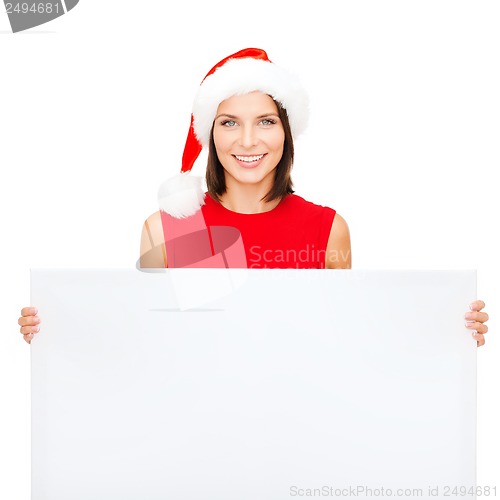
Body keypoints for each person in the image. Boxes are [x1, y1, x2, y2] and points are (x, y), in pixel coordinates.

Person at [17, 48, 489, 344]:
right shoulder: (167, 228)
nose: (247, 141)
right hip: (196, 434)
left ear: (286, 132)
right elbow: (140, 337)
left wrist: (442, 324)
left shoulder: (327, 231)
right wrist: (61, 326)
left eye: (265, 121)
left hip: (299, 427)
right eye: (229, 123)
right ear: (209, 134)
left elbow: (352, 336)